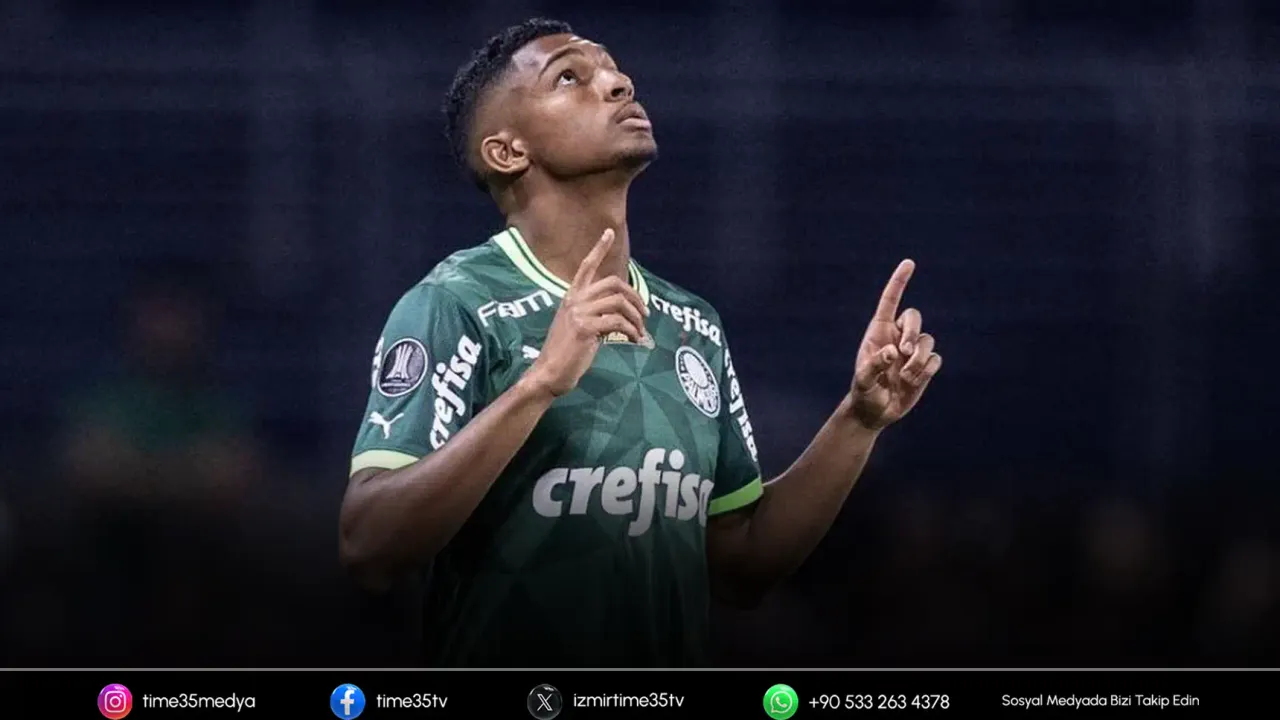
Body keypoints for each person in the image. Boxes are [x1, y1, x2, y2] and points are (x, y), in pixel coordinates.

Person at [338, 17, 943, 667]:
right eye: (569, 77)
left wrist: (859, 420)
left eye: (612, 68)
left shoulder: (694, 324)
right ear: (508, 152)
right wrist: (539, 386)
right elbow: (369, 545)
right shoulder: (455, 304)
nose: (618, 82)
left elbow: (741, 564)